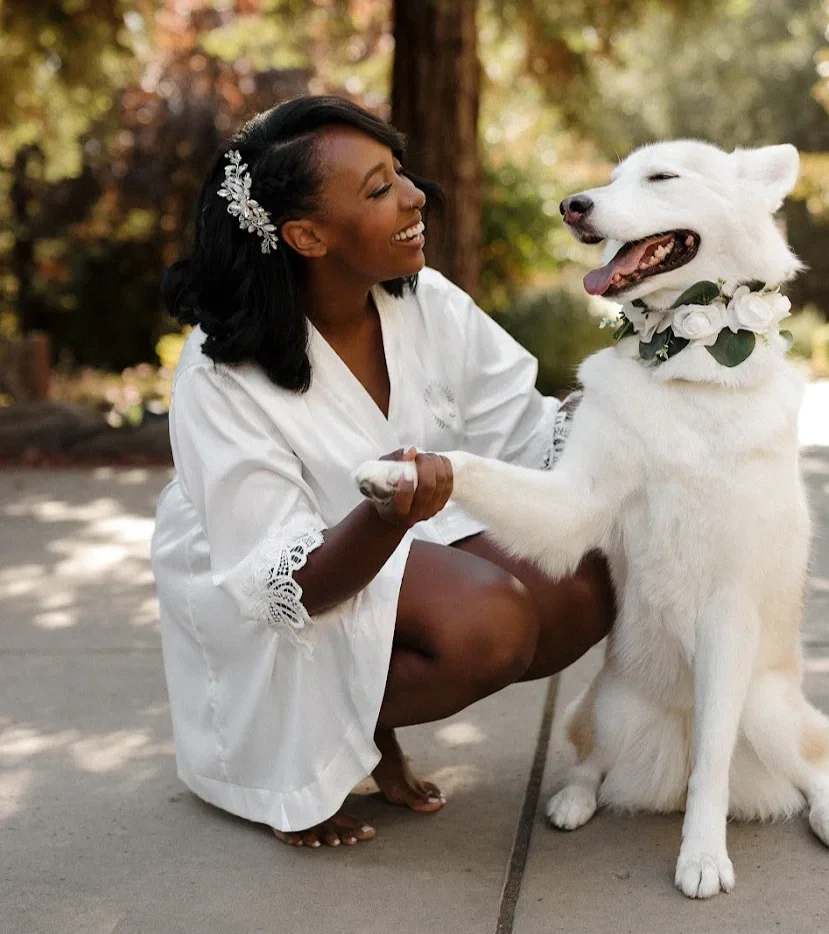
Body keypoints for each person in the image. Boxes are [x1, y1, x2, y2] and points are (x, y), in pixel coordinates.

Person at [151, 95, 615, 849]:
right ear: (305, 235)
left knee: (586, 577)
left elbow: (527, 433)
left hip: (406, 541)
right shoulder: (220, 377)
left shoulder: (424, 301)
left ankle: (361, 727)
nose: (415, 196)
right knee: (490, 623)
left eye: (399, 172)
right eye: (377, 189)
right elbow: (285, 587)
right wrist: (387, 513)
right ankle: (310, 752)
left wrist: (638, 397)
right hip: (275, 576)